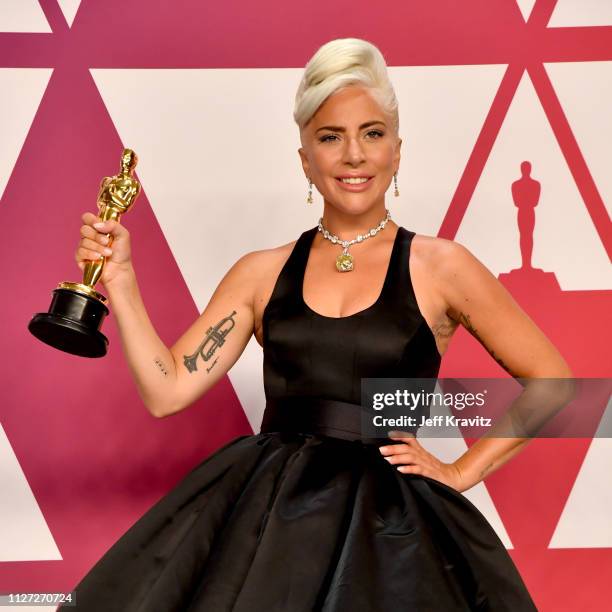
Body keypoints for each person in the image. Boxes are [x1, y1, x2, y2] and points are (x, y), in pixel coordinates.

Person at [64, 37, 571, 611]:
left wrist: (460, 471)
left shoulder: (442, 267)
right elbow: (166, 389)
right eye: (331, 137)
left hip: (395, 537)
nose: (354, 155)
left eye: (372, 133)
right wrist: (123, 282)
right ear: (305, 158)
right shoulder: (261, 272)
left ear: (397, 150)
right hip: (269, 526)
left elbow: (554, 381)